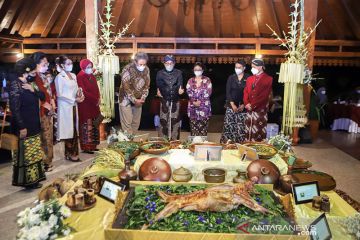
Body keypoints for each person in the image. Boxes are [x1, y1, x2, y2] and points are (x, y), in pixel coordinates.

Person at [9, 58, 46, 188]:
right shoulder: (15, 84)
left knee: (34, 153)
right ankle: (27, 182)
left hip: (34, 123)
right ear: (27, 70)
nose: (36, 71)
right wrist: (22, 127)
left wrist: (33, 90)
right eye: (34, 69)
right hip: (25, 125)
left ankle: (35, 178)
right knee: (26, 154)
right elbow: (14, 108)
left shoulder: (31, 83)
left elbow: (43, 96)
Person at [55, 55, 84, 161]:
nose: (70, 65)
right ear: (62, 65)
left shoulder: (73, 75)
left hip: (73, 105)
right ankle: (70, 153)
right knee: (68, 131)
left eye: (71, 63)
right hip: (65, 107)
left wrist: (80, 94)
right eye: (68, 64)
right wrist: (73, 99)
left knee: (74, 131)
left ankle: (74, 152)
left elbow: (76, 89)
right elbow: (60, 94)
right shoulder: (59, 77)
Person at [31, 52, 56, 172]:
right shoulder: (33, 77)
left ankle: (48, 161)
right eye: (44, 63)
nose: (46, 66)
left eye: (47, 63)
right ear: (36, 64)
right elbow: (34, 95)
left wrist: (52, 101)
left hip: (48, 111)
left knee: (48, 137)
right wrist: (44, 104)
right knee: (42, 138)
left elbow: (49, 92)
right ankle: (43, 162)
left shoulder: (44, 76)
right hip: (39, 112)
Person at [118, 52, 150, 134]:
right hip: (125, 99)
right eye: (140, 64)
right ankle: (127, 142)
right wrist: (134, 100)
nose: (142, 66)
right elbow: (126, 88)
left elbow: (146, 86)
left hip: (139, 99)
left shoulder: (146, 69)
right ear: (135, 62)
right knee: (127, 123)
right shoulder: (127, 69)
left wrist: (143, 98)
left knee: (136, 123)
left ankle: (133, 140)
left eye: (144, 64)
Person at [243, 58, 273, 142]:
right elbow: (245, 92)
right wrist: (246, 103)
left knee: (258, 132)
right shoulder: (249, 79)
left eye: (254, 67)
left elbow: (264, 95)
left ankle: (258, 151)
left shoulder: (268, 79)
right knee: (248, 131)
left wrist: (253, 105)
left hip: (260, 110)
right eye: (252, 66)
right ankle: (247, 148)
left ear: (260, 67)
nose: (252, 68)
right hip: (249, 109)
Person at [220, 60, 249, 143]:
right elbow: (228, 92)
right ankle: (227, 145)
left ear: (244, 68)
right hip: (231, 106)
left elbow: (249, 93)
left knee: (241, 128)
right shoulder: (231, 77)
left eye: (239, 67)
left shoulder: (248, 78)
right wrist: (232, 104)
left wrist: (244, 104)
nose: (237, 69)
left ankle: (239, 146)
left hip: (243, 107)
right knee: (229, 127)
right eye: (236, 67)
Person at [156, 55, 184, 140]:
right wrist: (159, 93)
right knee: (163, 121)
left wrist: (181, 92)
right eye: (167, 63)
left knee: (175, 122)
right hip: (164, 100)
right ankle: (163, 142)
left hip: (175, 101)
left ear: (174, 63)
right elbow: (159, 86)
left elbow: (180, 86)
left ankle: (174, 142)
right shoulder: (160, 73)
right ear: (164, 63)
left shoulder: (179, 73)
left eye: (171, 63)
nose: (169, 64)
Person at [76, 59, 101, 154]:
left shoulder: (92, 76)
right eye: (88, 67)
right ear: (83, 67)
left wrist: (98, 98)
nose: (90, 69)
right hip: (85, 105)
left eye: (91, 66)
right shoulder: (80, 77)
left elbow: (96, 88)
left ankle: (93, 145)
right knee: (87, 125)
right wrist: (95, 99)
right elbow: (84, 92)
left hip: (94, 104)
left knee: (94, 124)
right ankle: (86, 147)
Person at [186, 62, 212, 136]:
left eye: (199, 69)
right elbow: (188, 91)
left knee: (203, 130)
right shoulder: (190, 81)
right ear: (193, 70)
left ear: (203, 70)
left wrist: (200, 101)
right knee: (193, 130)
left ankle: (203, 145)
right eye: (195, 69)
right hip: (192, 108)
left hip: (204, 108)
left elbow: (208, 92)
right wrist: (194, 101)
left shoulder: (207, 80)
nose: (197, 71)